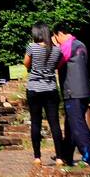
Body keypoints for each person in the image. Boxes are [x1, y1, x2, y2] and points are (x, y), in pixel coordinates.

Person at [52, 25, 90, 168]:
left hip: (73, 92)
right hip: (83, 91)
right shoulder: (80, 44)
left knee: (78, 126)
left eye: (56, 37)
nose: (56, 41)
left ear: (59, 34)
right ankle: (66, 156)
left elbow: (55, 62)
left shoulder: (67, 46)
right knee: (70, 126)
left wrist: (54, 46)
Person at [23, 22, 64, 165]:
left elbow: (26, 64)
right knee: (55, 124)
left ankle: (37, 157)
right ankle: (59, 157)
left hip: (34, 88)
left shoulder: (31, 47)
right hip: (51, 88)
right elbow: (58, 66)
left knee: (36, 122)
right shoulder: (57, 50)